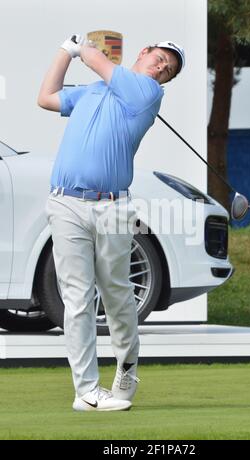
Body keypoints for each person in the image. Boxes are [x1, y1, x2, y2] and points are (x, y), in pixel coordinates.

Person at [38, 34, 185, 412]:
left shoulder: (148, 94)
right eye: (160, 58)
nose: (161, 67)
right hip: (65, 202)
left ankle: (127, 366)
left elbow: (96, 60)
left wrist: (80, 47)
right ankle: (86, 391)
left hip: (113, 208)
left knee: (117, 294)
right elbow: (46, 97)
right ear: (145, 52)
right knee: (77, 300)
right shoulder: (90, 92)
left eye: (168, 70)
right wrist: (63, 52)